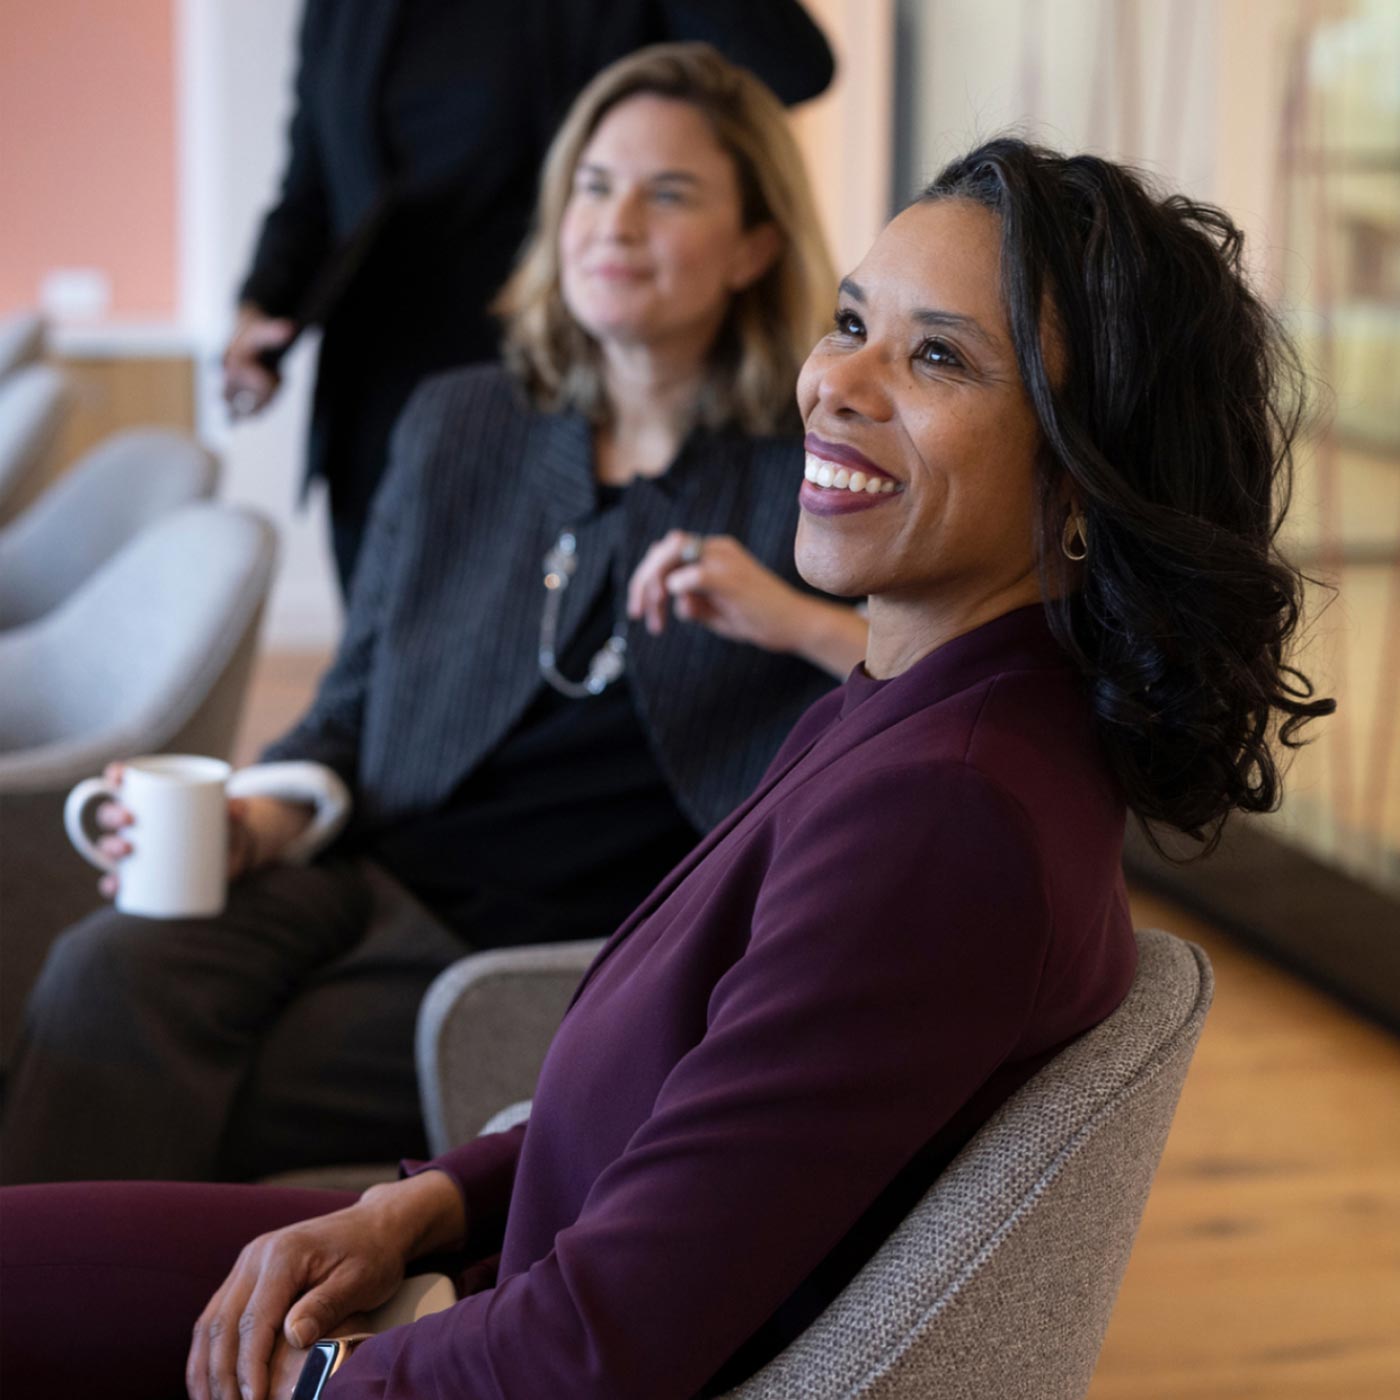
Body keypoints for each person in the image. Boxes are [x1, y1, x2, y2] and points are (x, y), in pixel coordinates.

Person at [0, 137, 1333, 1400]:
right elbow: (691, 1124)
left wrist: (328, 1376)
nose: (837, 384)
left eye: (939, 360)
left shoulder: (946, 814)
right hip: (483, 1262)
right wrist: (422, 1202)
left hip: (488, 1333)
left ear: (1083, 482)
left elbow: (591, 1353)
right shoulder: (927, 715)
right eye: (854, 321)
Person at [1, 45, 865, 1185]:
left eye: (669, 194)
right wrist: (258, 821)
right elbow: (352, 701)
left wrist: (794, 620)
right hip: (368, 867)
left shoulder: (806, 477)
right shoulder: (461, 426)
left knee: (243, 1074)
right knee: (104, 967)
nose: (613, 223)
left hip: (556, 946)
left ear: (755, 245)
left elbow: (931, 697)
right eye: (593, 187)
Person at [222, 0, 834, 593]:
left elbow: (793, 66)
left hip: (557, 377)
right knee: (386, 644)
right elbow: (313, 178)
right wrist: (264, 305)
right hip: (378, 378)